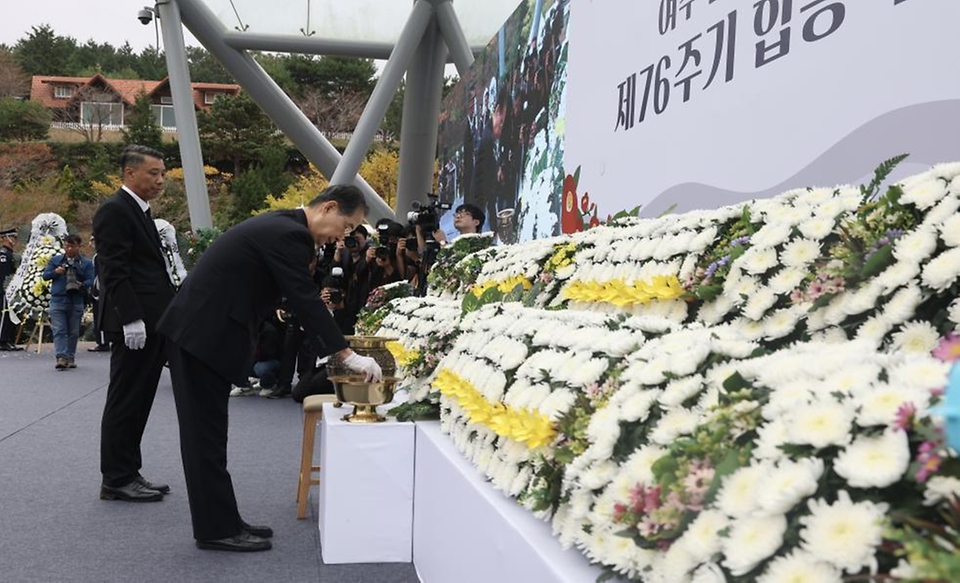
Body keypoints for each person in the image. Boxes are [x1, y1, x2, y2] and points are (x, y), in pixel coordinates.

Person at [156, 184, 383, 552]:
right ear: (328, 207)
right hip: (201, 337)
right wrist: (347, 355)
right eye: (347, 224)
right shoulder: (291, 234)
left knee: (211, 437)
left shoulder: (284, 226)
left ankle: (224, 520)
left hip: (203, 335)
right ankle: (215, 529)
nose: (345, 235)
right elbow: (305, 300)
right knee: (204, 438)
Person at [93, 145, 177, 503]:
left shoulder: (139, 210)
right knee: (125, 399)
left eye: (162, 174)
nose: (160, 180)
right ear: (130, 173)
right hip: (136, 323)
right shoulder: (115, 210)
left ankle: (129, 471)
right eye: (153, 173)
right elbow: (114, 269)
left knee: (139, 400)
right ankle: (115, 478)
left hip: (153, 320)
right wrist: (131, 319)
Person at [41, 234, 95, 370]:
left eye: (72, 246)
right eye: (67, 245)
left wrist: (81, 284)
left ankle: (70, 357)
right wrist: (56, 272)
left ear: (79, 246)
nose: (69, 249)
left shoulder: (86, 263)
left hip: (76, 300)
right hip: (58, 299)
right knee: (59, 330)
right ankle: (61, 357)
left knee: (73, 331)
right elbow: (45, 275)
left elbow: (91, 280)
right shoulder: (56, 260)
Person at [86, 235, 111, 353]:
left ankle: (102, 342)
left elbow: (97, 277)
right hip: (104, 291)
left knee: (100, 317)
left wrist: (94, 291)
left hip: (101, 292)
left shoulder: (99, 257)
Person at [0, 228, 23, 351]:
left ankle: (8, 339)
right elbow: (4, 274)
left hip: (11, 290)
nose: (14, 240)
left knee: (11, 315)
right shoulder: (3, 254)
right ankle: (3, 340)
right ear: (5, 238)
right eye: (12, 237)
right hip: (4, 289)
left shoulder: (11, 254)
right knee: (5, 315)